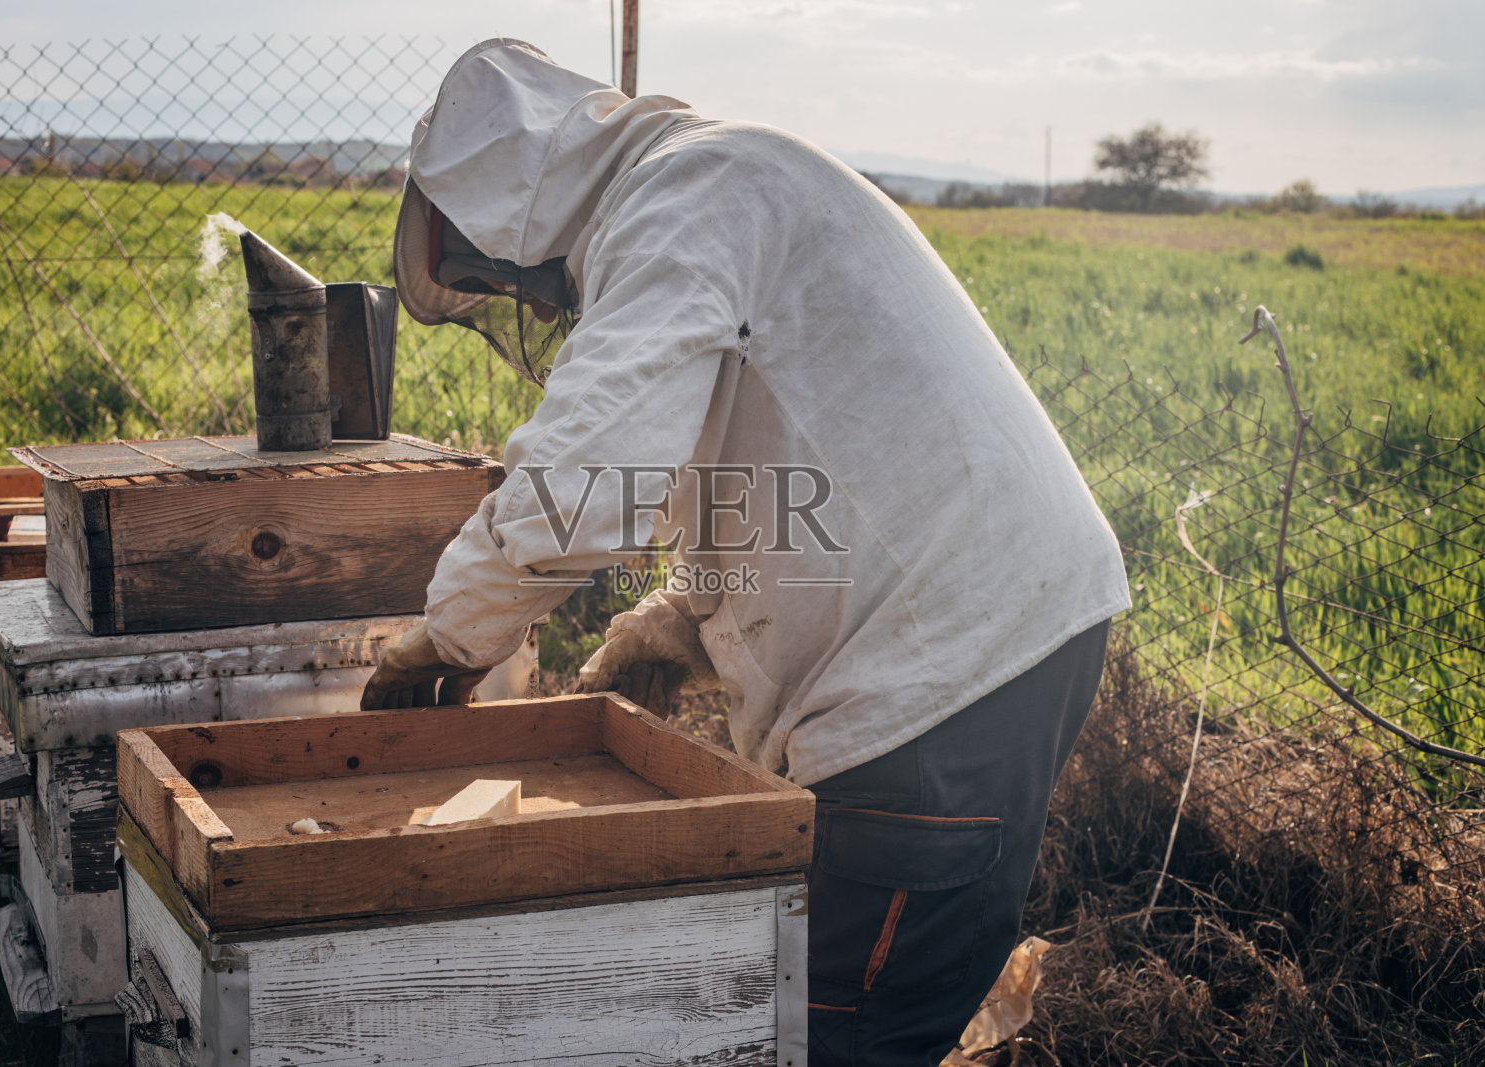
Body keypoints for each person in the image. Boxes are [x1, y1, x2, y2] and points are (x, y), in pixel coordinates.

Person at [361, 37, 1131, 1067]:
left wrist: (449, 635)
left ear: (516, 210)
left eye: (490, 270)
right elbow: (782, 483)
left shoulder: (682, 202)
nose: (530, 302)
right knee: (827, 1008)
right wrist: (672, 626)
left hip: (936, 681)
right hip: (986, 636)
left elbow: (584, 481)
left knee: (827, 1033)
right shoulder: (714, 180)